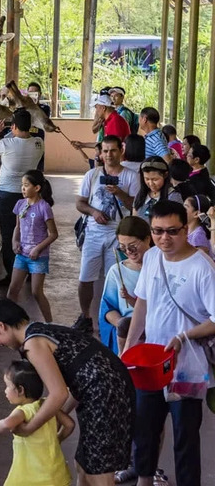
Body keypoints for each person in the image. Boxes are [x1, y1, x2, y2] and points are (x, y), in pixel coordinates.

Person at [0, 298, 136, 485]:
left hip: (106, 394)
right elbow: (66, 388)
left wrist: (31, 427)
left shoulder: (33, 343)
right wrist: (54, 417)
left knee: (98, 472)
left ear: (1, 325)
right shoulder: (38, 329)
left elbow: (58, 394)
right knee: (84, 464)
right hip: (104, 389)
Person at [123, 201, 215, 486]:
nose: (165, 238)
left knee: (185, 434)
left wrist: (184, 336)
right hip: (150, 362)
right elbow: (143, 304)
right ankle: (144, 480)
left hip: (187, 366)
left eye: (172, 231)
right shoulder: (151, 258)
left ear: (185, 230)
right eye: (158, 231)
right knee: (145, 428)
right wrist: (128, 346)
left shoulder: (203, 268)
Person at [74, 135, 140, 333]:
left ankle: (116, 317)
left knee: (117, 278)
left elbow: (135, 205)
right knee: (85, 277)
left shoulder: (130, 176)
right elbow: (80, 203)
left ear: (121, 151)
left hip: (118, 234)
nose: (109, 155)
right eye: (105, 151)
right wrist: (94, 212)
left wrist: (119, 193)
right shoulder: (92, 175)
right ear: (100, 154)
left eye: (113, 150)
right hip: (94, 233)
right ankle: (85, 315)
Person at [0, 360, 74, 486]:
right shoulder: (47, 405)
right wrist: (57, 439)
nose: (5, 391)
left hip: (31, 476)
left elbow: (7, 423)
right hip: (55, 474)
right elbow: (70, 425)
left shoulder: (23, 412)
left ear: (20, 390)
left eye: (7, 386)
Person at [0, 109, 45, 284]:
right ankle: (31, 273)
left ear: (14, 126)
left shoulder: (6, 143)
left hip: (7, 195)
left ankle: (12, 274)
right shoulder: (38, 143)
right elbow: (22, 137)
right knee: (29, 234)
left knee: (9, 234)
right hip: (29, 195)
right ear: (31, 126)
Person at [8, 170, 58, 321]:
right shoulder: (20, 204)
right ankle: (10, 322)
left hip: (38, 257)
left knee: (36, 292)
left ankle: (49, 323)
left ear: (36, 188)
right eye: (22, 185)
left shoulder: (44, 207)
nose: (22, 188)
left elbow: (54, 234)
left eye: (26, 185)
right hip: (22, 255)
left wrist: (38, 248)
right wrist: (14, 241)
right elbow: (18, 226)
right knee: (12, 290)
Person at [99, 216, 151, 356]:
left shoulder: (161, 268)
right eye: (123, 247)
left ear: (148, 239)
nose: (128, 251)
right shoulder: (116, 271)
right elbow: (107, 309)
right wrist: (124, 324)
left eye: (133, 246)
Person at [132, 157, 182, 222]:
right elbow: (134, 219)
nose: (151, 183)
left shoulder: (173, 197)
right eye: (147, 179)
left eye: (155, 179)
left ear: (165, 175)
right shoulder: (141, 195)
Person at [27, 82, 53, 171]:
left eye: (35, 92)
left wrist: (35, 105)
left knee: (38, 168)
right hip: (25, 141)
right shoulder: (24, 108)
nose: (33, 94)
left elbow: (44, 121)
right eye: (30, 92)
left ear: (39, 94)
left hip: (38, 141)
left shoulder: (45, 108)